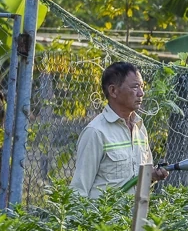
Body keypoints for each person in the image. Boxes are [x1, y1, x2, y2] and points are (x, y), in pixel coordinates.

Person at [70, 62, 169, 198]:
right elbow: (79, 189)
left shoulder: (139, 127)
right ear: (113, 91)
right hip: (104, 217)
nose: (141, 93)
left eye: (142, 86)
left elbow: (142, 178)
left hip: (134, 217)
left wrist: (152, 176)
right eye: (135, 87)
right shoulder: (96, 132)